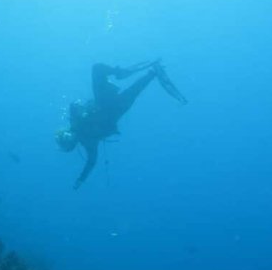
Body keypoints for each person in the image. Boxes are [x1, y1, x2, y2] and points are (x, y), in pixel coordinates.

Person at [56, 60, 187, 189]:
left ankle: (120, 72)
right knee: (136, 89)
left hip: (103, 101)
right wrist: (81, 180)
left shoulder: (74, 121)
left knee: (97, 68)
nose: (68, 137)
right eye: (67, 141)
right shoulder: (88, 142)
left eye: (64, 136)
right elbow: (91, 162)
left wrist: (78, 109)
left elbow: (73, 105)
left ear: (64, 132)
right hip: (114, 113)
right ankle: (153, 72)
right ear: (72, 144)